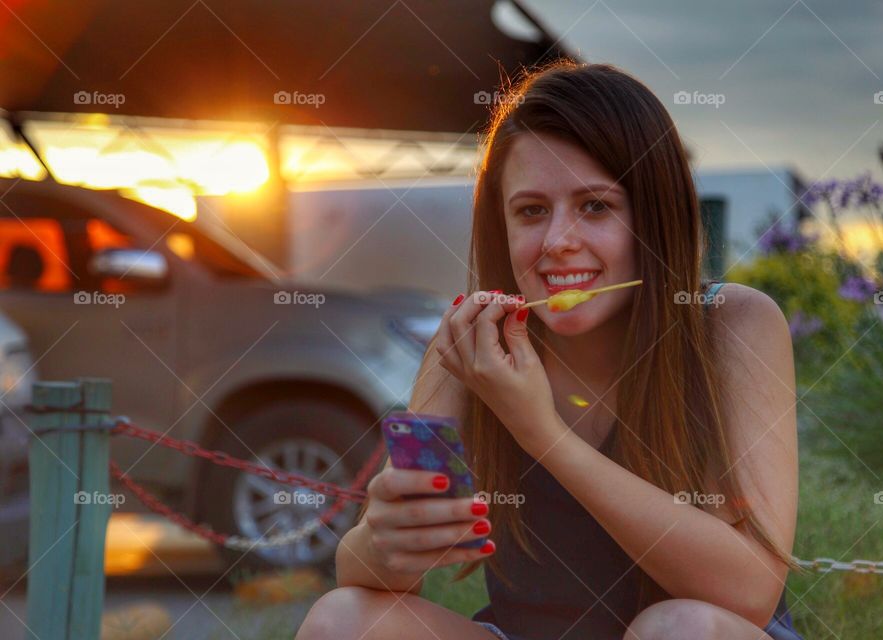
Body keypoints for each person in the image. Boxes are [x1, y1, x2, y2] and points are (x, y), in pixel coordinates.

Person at [296, 60, 803, 640]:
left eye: (595, 206)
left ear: (654, 218)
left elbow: (749, 593)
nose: (559, 243)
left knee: (677, 628)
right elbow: (365, 578)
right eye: (532, 211)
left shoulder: (729, 325)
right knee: (342, 621)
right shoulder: (471, 343)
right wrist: (381, 538)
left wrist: (540, 432)